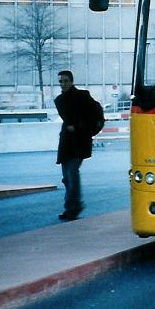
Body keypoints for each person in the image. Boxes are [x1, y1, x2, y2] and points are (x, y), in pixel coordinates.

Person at [54, 70, 93, 221]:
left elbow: (90, 116)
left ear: (71, 81)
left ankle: (73, 207)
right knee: (67, 176)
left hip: (79, 141)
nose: (62, 84)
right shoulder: (60, 100)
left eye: (65, 81)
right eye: (61, 81)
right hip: (67, 143)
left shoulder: (82, 97)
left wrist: (78, 127)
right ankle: (72, 206)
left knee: (71, 173)